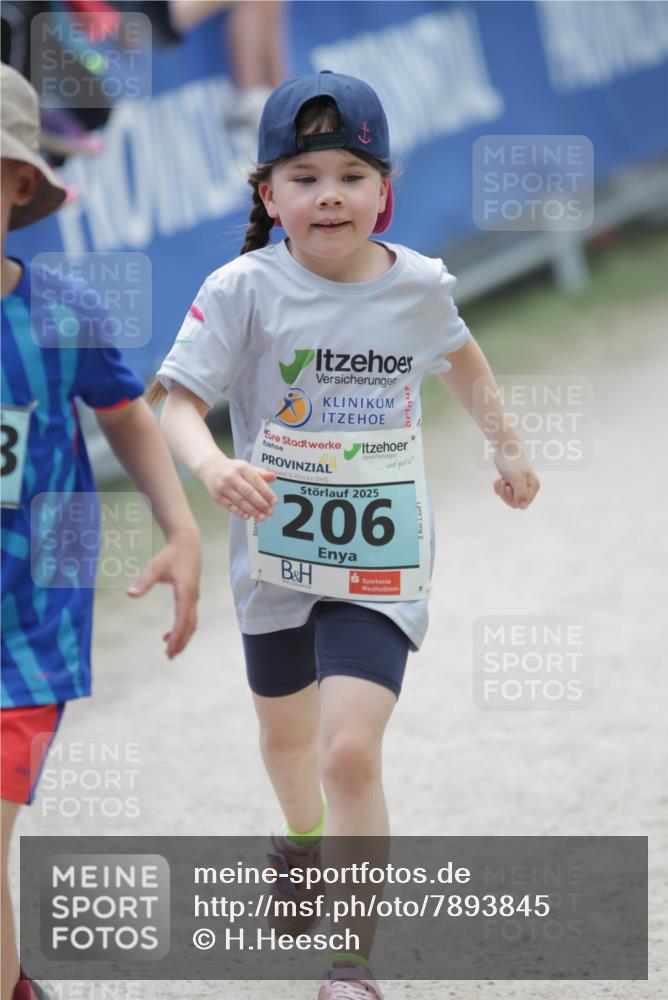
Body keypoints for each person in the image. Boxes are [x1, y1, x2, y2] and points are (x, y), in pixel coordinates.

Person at [149, 70, 540, 998]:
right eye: (305, 174)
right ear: (268, 196)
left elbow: (461, 356)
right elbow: (177, 404)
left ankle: (351, 964)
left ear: (384, 193)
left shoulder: (416, 288)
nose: (330, 194)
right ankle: (301, 841)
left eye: (352, 175)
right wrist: (211, 468)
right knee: (289, 750)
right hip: (274, 560)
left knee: (348, 749)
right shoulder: (242, 288)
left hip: (380, 559)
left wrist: (509, 445)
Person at [0, 64, 202, 1000]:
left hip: (28, 637)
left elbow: (124, 413)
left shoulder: (57, 315)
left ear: (19, 184)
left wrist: (179, 529)